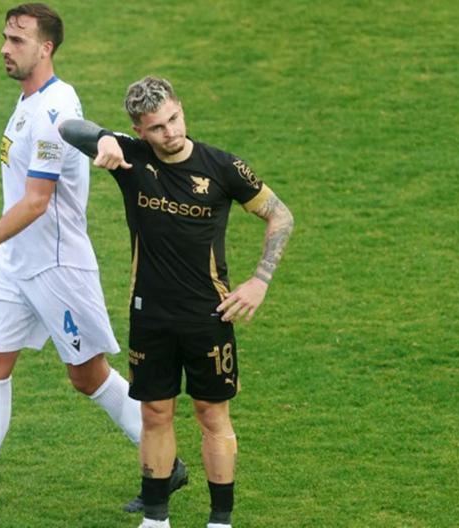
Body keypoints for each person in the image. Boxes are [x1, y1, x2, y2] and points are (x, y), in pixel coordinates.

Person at [0, 6, 186, 521]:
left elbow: (38, 201)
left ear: (46, 48)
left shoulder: (53, 108)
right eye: (4, 37)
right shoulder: (27, 102)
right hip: (17, 262)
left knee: (87, 375)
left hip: (57, 265)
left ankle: (165, 465)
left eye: (17, 40)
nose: (4, 48)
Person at [59, 76, 294, 528]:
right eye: (157, 127)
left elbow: (280, 215)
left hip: (208, 316)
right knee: (155, 414)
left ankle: (220, 522)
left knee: (212, 415)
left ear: (181, 108)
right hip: (150, 316)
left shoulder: (223, 167)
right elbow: (68, 128)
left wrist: (260, 281)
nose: (171, 132)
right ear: (140, 130)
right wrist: (105, 138)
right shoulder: (131, 157)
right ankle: (156, 521)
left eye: (174, 118)